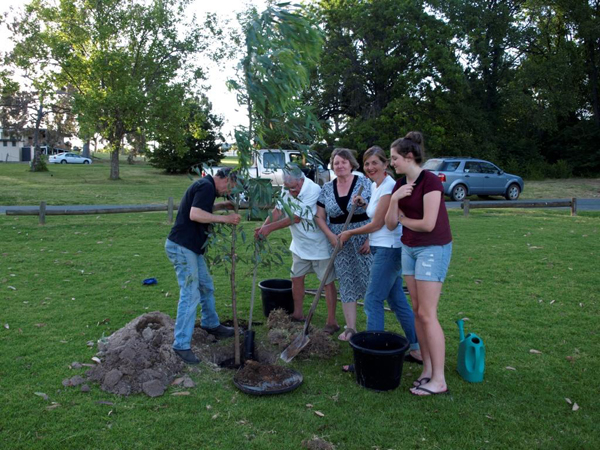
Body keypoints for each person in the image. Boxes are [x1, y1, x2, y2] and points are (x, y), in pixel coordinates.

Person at [338, 146, 422, 371]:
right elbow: (379, 213)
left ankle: (371, 357)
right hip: (382, 249)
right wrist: (365, 204)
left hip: (389, 250)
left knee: (373, 300)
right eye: (366, 164)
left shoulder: (388, 187)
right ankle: (417, 348)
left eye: (375, 163)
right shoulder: (376, 186)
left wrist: (349, 233)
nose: (370, 167)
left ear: (386, 164)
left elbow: (378, 224)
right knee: (396, 301)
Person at [385, 132, 453, 396]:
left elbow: (428, 224)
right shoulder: (400, 185)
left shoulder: (431, 181)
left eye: (395, 158)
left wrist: (402, 219)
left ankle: (439, 379)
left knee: (427, 313)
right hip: (409, 248)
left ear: (409, 156)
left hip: (432, 248)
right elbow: (390, 222)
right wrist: (394, 200)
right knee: (416, 311)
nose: (392, 163)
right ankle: (427, 369)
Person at [165, 168, 242, 365]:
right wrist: (225, 218)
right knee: (190, 294)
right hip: (182, 247)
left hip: (190, 248)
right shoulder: (206, 186)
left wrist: (218, 206)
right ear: (223, 178)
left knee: (206, 285)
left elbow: (201, 208)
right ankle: (181, 344)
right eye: (229, 187)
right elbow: (195, 214)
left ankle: (211, 323)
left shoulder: (206, 187)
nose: (227, 192)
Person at [254, 166, 340, 334]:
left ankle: (332, 321)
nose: (291, 191)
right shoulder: (287, 188)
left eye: (294, 188)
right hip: (300, 245)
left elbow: (296, 217)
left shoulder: (313, 190)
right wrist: (263, 228)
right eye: (288, 188)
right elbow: (278, 210)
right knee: (296, 278)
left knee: (327, 283)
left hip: (319, 245)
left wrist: (270, 229)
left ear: (301, 180)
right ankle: (298, 313)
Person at [315, 148, 372, 341]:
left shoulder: (363, 183)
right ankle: (350, 328)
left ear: (351, 164)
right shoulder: (326, 188)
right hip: (339, 242)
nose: (340, 166)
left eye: (343, 162)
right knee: (347, 284)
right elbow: (320, 217)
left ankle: (374, 327)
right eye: (336, 162)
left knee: (370, 283)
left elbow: (377, 212)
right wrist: (331, 236)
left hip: (362, 239)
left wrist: (369, 238)